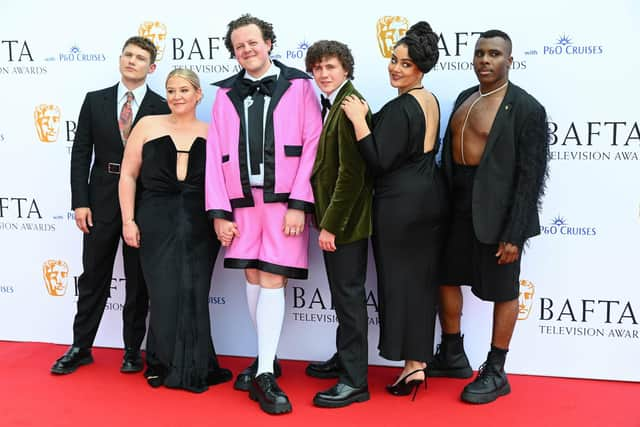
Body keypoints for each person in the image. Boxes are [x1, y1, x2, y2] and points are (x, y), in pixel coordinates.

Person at [205, 14, 321, 414]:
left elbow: (313, 145)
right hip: (239, 202)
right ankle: (264, 360)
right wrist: (219, 212)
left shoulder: (301, 86)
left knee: (272, 278)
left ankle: (265, 373)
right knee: (253, 276)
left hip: (283, 200)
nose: (247, 50)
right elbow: (214, 152)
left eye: (253, 42)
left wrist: (298, 203)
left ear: (269, 42)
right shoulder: (222, 94)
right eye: (239, 46)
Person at [431, 29, 549, 404]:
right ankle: (452, 353)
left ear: (509, 61)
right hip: (456, 204)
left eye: (494, 54)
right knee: (446, 278)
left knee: (503, 289)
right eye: (480, 53)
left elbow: (531, 177)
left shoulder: (527, 108)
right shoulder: (466, 98)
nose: (485, 59)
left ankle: (496, 370)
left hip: (498, 213)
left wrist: (515, 233)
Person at [342, 21, 448, 399]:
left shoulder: (403, 106)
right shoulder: (429, 99)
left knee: (399, 283)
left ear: (420, 68)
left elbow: (378, 161)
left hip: (400, 205)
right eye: (393, 59)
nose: (395, 68)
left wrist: (358, 121)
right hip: (429, 199)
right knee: (419, 283)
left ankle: (412, 364)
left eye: (404, 64)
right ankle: (416, 364)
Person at [52, 36, 170, 375]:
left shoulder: (161, 107)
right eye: (128, 55)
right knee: (93, 276)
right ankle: (80, 346)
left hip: (143, 201)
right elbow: (80, 154)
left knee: (138, 280)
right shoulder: (95, 101)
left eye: (140, 57)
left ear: (152, 67)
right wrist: (80, 202)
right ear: (120, 59)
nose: (132, 61)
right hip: (100, 199)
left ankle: (133, 350)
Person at [118, 68, 232, 392]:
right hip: (155, 219)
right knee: (163, 292)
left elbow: (223, 184)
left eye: (184, 90)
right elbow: (127, 175)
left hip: (200, 222)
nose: (176, 96)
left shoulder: (212, 132)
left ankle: (199, 364)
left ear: (198, 94)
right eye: (171, 90)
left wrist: (223, 219)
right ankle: (160, 362)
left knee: (195, 292)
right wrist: (129, 220)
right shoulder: (147, 125)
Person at [304, 40, 373, 408]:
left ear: (345, 68)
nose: (323, 74)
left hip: (346, 224)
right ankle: (344, 360)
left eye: (330, 66)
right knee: (343, 298)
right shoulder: (336, 103)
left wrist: (329, 225)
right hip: (339, 220)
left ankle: (354, 381)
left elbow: (352, 175)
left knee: (348, 300)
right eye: (317, 68)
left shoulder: (350, 106)